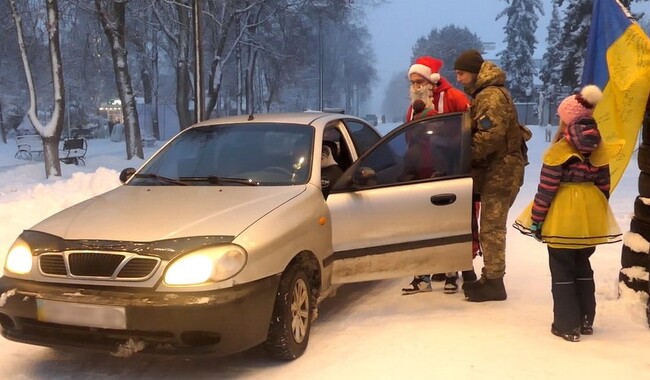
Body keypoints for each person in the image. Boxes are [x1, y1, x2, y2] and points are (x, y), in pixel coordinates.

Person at [514, 85, 623, 342]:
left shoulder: (559, 151)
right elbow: (604, 186)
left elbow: (547, 189)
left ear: (567, 119)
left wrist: (537, 220)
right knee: (583, 265)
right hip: (589, 217)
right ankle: (586, 320)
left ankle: (566, 324)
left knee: (561, 268)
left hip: (562, 215)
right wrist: (595, 213)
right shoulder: (599, 148)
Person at [453, 49, 528, 302]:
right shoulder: (486, 94)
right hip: (498, 170)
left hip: (502, 171)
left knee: (492, 228)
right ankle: (490, 277)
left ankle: (495, 283)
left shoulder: (491, 96)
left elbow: (489, 137)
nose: (459, 79)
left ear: (474, 73)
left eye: (461, 74)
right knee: (490, 228)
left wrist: (462, 158)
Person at [401, 56, 477, 295]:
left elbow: (467, 130)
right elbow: (408, 136)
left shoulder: (454, 97)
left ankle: (451, 271)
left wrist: (447, 145)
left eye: (420, 81)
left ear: (431, 81)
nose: (416, 86)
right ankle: (422, 275)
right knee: (422, 225)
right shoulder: (412, 108)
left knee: (449, 223)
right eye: (412, 82)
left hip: (449, 170)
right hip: (421, 172)